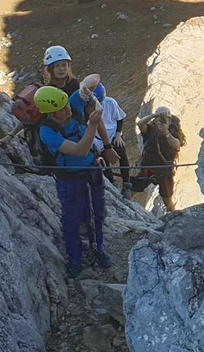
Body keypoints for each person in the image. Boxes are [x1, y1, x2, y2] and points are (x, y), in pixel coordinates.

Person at [32, 85, 111, 276]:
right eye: (62, 109)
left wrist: (85, 88)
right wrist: (92, 126)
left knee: (98, 214)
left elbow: (94, 79)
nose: (68, 109)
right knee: (72, 221)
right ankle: (74, 258)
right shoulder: (47, 133)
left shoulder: (72, 105)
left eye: (67, 104)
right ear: (51, 113)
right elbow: (80, 150)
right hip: (70, 180)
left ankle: (99, 249)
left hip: (92, 171)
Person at [132, 108, 184, 212]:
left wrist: (166, 133)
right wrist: (153, 115)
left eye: (165, 119)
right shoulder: (150, 130)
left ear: (169, 120)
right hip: (148, 169)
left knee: (167, 201)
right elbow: (140, 124)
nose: (161, 121)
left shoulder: (173, 131)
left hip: (164, 172)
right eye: (159, 119)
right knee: (132, 189)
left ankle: (174, 216)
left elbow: (177, 145)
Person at [85, 77, 131, 189]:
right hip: (97, 139)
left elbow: (120, 118)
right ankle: (112, 184)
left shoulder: (110, 102)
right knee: (104, 163)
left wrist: (118, 134)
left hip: (112, 134)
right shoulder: (86, 108)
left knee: (121, 153)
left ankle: (126, 184)